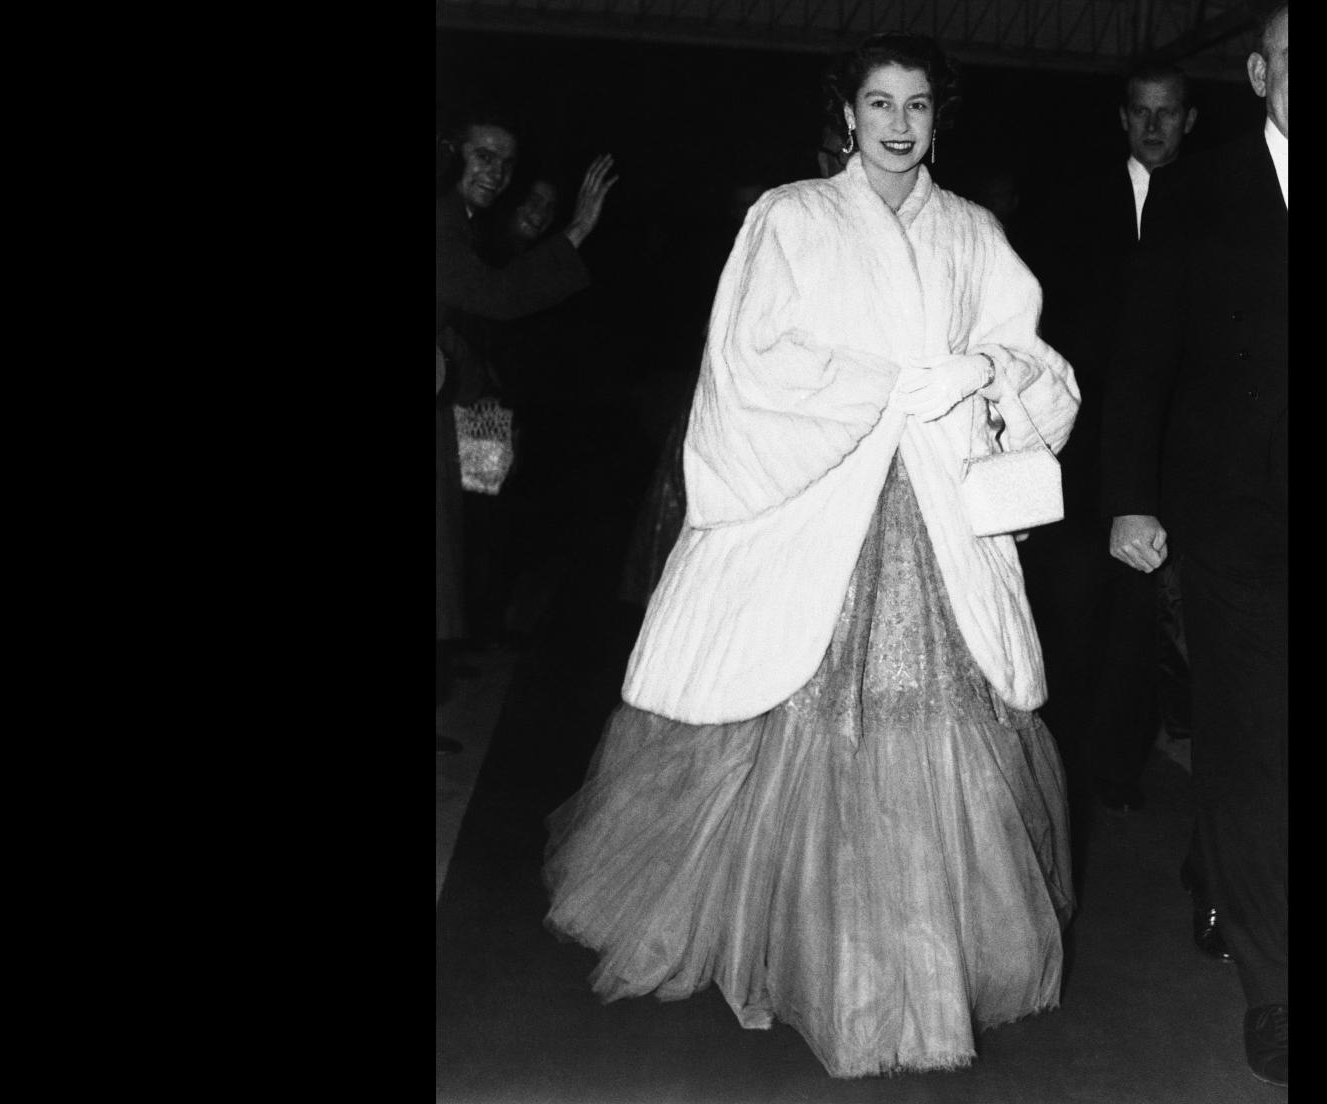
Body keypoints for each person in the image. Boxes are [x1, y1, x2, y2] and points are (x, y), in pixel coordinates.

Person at [541, 33, 1081, 1079]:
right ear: (846, 113)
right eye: (878, 102)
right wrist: (875, 386)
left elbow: (1037, 365)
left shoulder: (972, 232)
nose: (896, 123)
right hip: (809, 508)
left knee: (930, 734)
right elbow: (745, 363)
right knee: (781, 724)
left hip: (931, 524)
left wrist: (975, 369)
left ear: (937, 120)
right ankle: (775, 949)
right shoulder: (787, 216)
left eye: (917, 106)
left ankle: (912, 970)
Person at [1102, 2, 1288, 1087]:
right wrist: (1129, 497)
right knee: (1252, 737)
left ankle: (1218, 866)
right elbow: (1142, 359)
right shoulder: (1197, 191)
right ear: (1258, 75)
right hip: (1231, 522)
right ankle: (1275, 989)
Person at [1028, 62, 1199, 815]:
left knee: (1138, 621)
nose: (1154, 126)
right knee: (1070, 612)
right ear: (1122, 120)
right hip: (1077, 451)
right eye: (1141, 112)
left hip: (1169, 455)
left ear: (1188, 120)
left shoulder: (1212, 203)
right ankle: (1058, 763)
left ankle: (1116, 767)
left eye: (1167, 113)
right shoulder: (1072, 205)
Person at [436, 107, 614, 747]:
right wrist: (577, 230)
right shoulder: (471, 236)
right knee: (465, 529)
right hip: (473, 408)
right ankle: (468, 635)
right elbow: (496, 305)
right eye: (485, 157)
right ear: (453, 152)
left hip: (488, 409)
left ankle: (473, 633)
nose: (503, 179)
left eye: (510, 168)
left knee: (478, 524)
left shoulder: (475, 230)